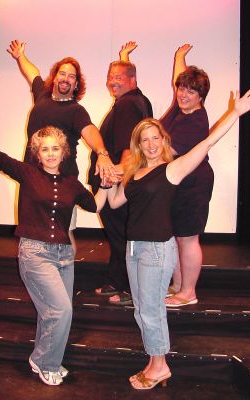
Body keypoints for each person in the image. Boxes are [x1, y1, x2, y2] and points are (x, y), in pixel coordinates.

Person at [104, 88, 250, 389]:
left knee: (151, 310)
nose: (150, 144)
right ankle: (153, 359)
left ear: (164, 140)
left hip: (156, 252)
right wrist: (109, 181)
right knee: (141, 308)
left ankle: (160, 366)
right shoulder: (134, 172)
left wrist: (235, 113)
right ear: (137, 144)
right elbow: (114, 203)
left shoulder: (172, 170)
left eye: (155, 138)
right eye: (144, 139)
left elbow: (207, 142)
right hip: (134, 249)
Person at [0, 112, 109, 386]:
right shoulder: (27, 173)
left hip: (64, 256)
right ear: (37, 152)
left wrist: (106, 183)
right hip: (35, 253)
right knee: (61, 311)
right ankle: (49, 364)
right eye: (44, 148)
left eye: (55, 148)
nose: (50, 153)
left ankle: (39, 358)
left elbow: (94, 205)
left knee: (53, 312)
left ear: (64, 152)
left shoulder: (72, 183)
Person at [7, 39, 114, 251]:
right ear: (55, 77)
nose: (66, 78)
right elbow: (32, 72)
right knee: (30, 231)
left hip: (61, 180)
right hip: (32, 178)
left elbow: (90, 131)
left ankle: (64, 279)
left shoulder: (76, 111)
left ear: (76, 85)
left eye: (72, 76)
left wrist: (102, 152)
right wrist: (20, 56)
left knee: (64, 233)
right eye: (63, 73)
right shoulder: (42, 95)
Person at [88, 42, 153, 306]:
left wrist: (113, 177)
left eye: (118, 78)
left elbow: (128, 148)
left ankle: (127, 288)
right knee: (120, 235)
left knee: (121, 235)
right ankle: (116, 281)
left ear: (132, 80)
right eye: (109, 78)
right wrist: (124, 59)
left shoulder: (127, 105)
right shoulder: (139, 99)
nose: (112, 82)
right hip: (122, 181)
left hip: (117, 183)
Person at [161, 44, 214, 306]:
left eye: (191, 91)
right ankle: (179, 286)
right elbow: (177, 79)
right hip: (179, 184)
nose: (183, 94)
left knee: (188, 237)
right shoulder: (179, 110)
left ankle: (188, 292)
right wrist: (179, 57)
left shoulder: (195, 121)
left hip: (194, 185)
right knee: (178, 236)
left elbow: (163, 153)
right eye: (182, 88)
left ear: (200, 96)